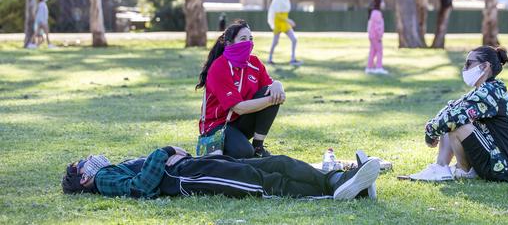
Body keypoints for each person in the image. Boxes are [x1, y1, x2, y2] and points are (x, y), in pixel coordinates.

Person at [61, 146, 381, 200]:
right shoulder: (102, 180)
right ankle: (332, 192)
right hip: (189, 179)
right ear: (84, 179)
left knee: (276, 162)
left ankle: (339, 180)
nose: (87, 159)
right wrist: (166, 151)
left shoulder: (110, 169)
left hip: (194, 164)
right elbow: (141, 189)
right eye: (81, 165)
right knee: (263, 183)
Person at [410, 46, 508, 182]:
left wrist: (430, 134)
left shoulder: (490, 91)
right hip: (499, 162)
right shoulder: (484, 89)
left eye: (469, 63)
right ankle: (441, 167)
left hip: (505, 169)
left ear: (485, 66)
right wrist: (432, 126)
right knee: (453, 120)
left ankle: (463, 170)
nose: (465, 68)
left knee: (457, 123)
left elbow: (455, 117)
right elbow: (451, 109)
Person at [197, 20, 285, 158]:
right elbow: (238, 108)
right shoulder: (220, 67)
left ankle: (258, 146)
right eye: (243, 39)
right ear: (228, 43)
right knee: (244, 153)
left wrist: (278, 85)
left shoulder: (255, 62)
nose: (248, 43)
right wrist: (272, 100)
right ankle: (225, 149)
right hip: (216, 126)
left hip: (239, 122)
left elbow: (269, 86)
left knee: (270, 90)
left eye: (251, 39)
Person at [267, 0, 301, 66]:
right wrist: (289, 20)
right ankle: (270, 58)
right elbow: (278, 15)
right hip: (279, 23)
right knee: (275, 42)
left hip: (285, 23)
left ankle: (293, 59)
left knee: (294, 39)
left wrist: (287, 21)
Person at [366, 0, 387, 75]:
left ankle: (369, 67)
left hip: (372, 36)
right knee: (379, 51)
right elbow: (378, 27)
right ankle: (379, 67)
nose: (384, 4)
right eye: (382, 2)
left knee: (373, 52)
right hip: (376, 36)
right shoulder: (377, 13)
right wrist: (379, 36)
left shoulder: (373, 13)